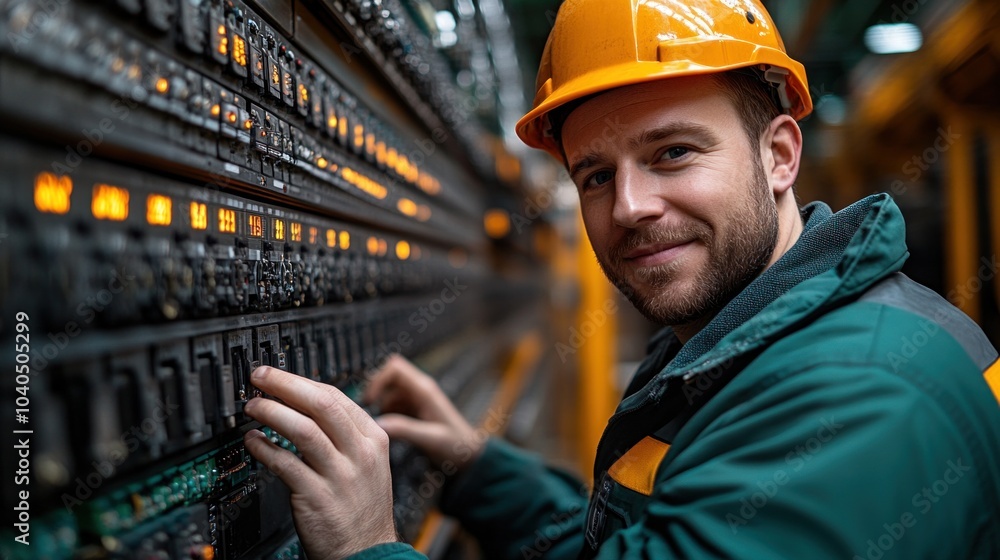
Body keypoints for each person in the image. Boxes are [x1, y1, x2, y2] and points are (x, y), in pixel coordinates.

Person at [242, 0, 1000, 558]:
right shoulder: (745, 335)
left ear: (779, 155)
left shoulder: (861, 394)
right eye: (596, 175)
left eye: (672, 153)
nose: (630, 207)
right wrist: (474, 467)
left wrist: (367, 548)